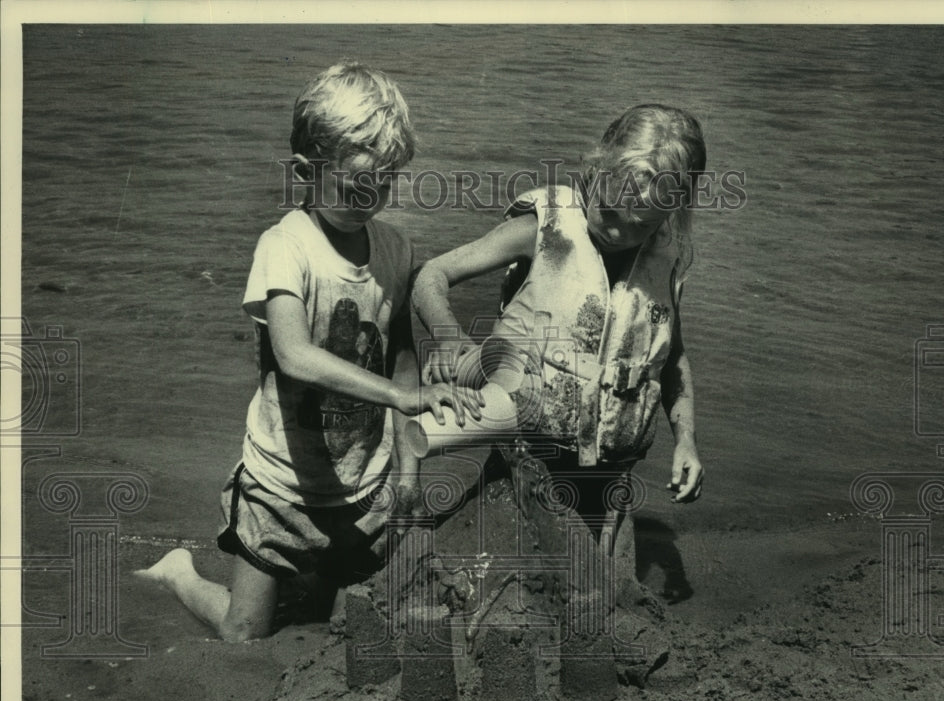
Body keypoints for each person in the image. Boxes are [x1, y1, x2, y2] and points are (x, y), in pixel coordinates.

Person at [137, 62, 482, 642]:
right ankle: (178, 573)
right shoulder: (285, 247)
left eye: (385, 185)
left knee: (354, 613)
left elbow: (401, 355)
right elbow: (294, 354)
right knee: (243, 633)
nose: (369, 201)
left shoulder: (394, 248)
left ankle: (317, 575)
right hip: (281, 483)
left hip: (362, 482)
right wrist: (401, 395)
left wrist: (408, 469)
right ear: (305, 172)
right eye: (354, 187)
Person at [411, 104, 705, 546]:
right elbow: (430, 276)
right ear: (597, 168)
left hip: (612, 475)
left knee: (602, 594)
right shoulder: (542, 227)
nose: (618, 232)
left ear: (671, 213)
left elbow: (671, 358)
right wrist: (448, 336)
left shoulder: (668, 258)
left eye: (639, 225)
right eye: (608, 211)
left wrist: (686, 441)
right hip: (526, 454)